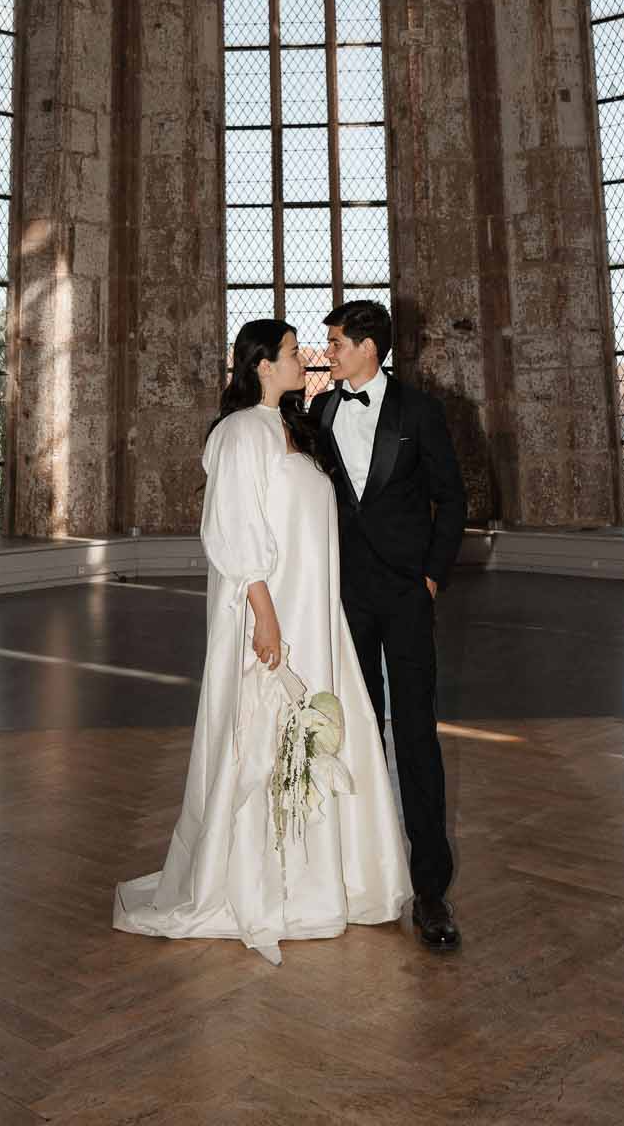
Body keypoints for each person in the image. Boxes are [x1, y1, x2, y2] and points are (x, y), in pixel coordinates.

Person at [113, 320, 411, 966]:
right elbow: (232, 530)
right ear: (259, 367)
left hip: (315, 613)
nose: (301, 359)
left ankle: (333, 878)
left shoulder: (294, 431)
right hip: (271, 614)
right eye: (287, 352)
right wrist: (264, 615)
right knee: (262, 742)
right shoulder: (239, 433)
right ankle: (264, 881)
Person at [311, 298, 467, 951]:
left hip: (404, 595)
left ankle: (430, 890)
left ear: (370, 348)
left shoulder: (420, 410)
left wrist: (430, 576)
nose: (328, 353)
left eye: (338, 342)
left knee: (415, 736)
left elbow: (452, 497)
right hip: (342, 593)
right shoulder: (320, 408)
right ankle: (354, 872)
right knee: (349, 730)